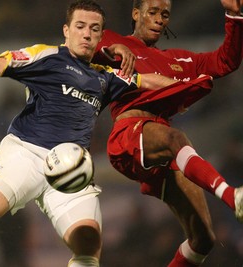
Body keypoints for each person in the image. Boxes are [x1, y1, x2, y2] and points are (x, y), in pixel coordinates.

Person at [0, 1, 199, 266]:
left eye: (94, 29)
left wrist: (188, 87)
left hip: (72, 170)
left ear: (100, 37)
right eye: (80, 26)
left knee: (88, 248)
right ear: (66, 30)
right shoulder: (45, 57)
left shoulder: (105, 77)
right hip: (27, 154)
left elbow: (146, 80)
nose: (86, 33)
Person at [92, 0, 243, 266]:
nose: (160, 19)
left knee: (203, 239)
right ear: (136, 14)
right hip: (129, 135)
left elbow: (225, 61)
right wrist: (112, 48)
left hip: (162, 148)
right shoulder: (113, 40)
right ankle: (232, 196)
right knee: (176, 138)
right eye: (152, 12)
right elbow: (86, 47)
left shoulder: (178, 59)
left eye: (165, 15)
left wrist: (233, 15)